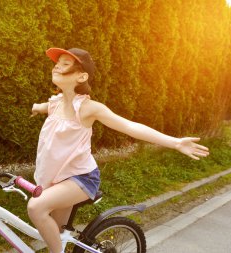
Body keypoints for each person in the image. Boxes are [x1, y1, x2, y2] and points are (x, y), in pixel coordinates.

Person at [28, 47, 209, 253]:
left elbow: (130, 126)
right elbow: (42, 106)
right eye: (57, 62)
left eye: (65, 63)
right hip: (57, 179)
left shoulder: (88, 108)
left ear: (81, 76)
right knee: (57, 238)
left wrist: (175, 142)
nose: (57, 66)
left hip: (80, 178)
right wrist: (35, 107)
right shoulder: (55, 104)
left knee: (36, 208)